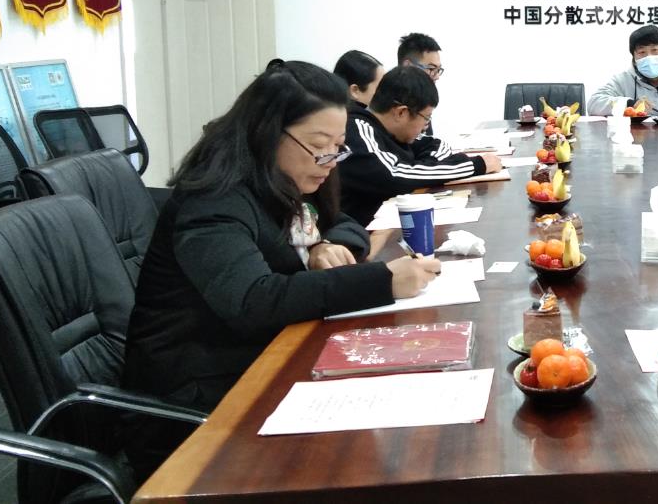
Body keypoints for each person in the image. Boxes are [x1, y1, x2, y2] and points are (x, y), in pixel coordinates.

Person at [123, 59, 440, 472]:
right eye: (319, 144)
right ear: (268, 132)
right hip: (197, 404)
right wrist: (382, 280)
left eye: (337, 145)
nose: (330, 159)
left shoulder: (290, 174)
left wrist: (326, 244)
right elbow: (254, 301)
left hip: (260, 360)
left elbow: (347, 222)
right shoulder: (214, 199)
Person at [337, 65, 502, 225]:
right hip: (365, 234)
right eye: (426, 117)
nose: (425, 125)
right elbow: (394, 175)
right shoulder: (356, 129)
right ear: (401, 112)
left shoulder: (395, 131)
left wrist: (420, 169)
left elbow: (438, 146)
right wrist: (476, 165)